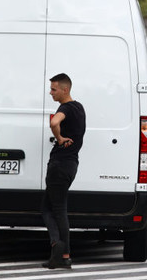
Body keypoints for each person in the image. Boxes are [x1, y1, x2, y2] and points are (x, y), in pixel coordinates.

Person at [41, 73, 86, 269]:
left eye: (54, 89)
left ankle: (59, 247)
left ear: (65, 89)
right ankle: (63, 255)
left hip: (59, 164)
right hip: (71, 165)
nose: (51, 92)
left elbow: (53, 122)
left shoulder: (65, 108)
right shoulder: (79, 108)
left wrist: (59, 139)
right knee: (54, 207)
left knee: (53, 209)